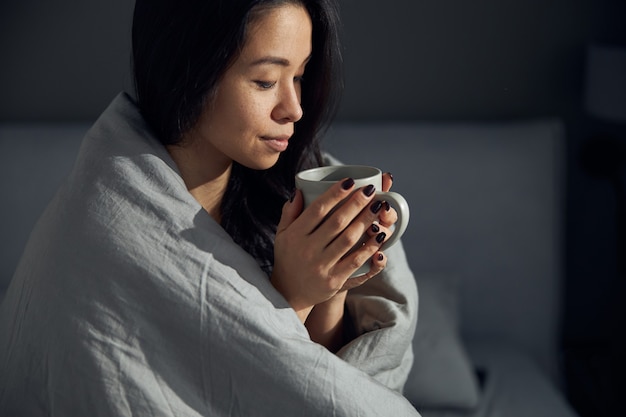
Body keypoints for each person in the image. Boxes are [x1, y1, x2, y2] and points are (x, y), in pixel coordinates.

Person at [0, 0, 419, 415]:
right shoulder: (110, 231)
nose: (294, 108)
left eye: (300, 75)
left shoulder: (282, 190)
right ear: (189, 69)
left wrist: (332, 283)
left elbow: (319, 389)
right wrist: (291, 296)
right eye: (265, 81)